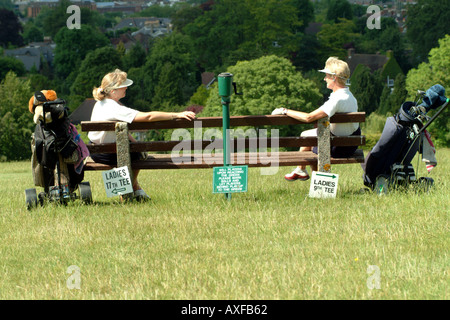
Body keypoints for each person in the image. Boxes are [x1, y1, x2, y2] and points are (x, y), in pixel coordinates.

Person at [88, 69, 196, 200]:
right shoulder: (114, 108)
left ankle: (136, 190)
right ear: (113, 91)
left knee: (136, 150)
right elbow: (149, 116)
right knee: (138, 155)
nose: (126, 88)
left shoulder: (100, 104)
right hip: (107, 153)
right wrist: (176, 114)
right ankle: (130, 191)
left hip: (96, 150)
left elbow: (120, 130)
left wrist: (136, 143)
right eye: (123, 86)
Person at [271, 57, 360, 181]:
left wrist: (284, 111)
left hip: (337, 149)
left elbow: (309, 117)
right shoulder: (350, 96)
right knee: (308, 135)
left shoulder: (337, 99)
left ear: (334, 77)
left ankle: (311, 176)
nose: (324, 79)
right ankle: (301, 170)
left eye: (327, 76)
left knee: (308, 139)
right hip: (350, 145)